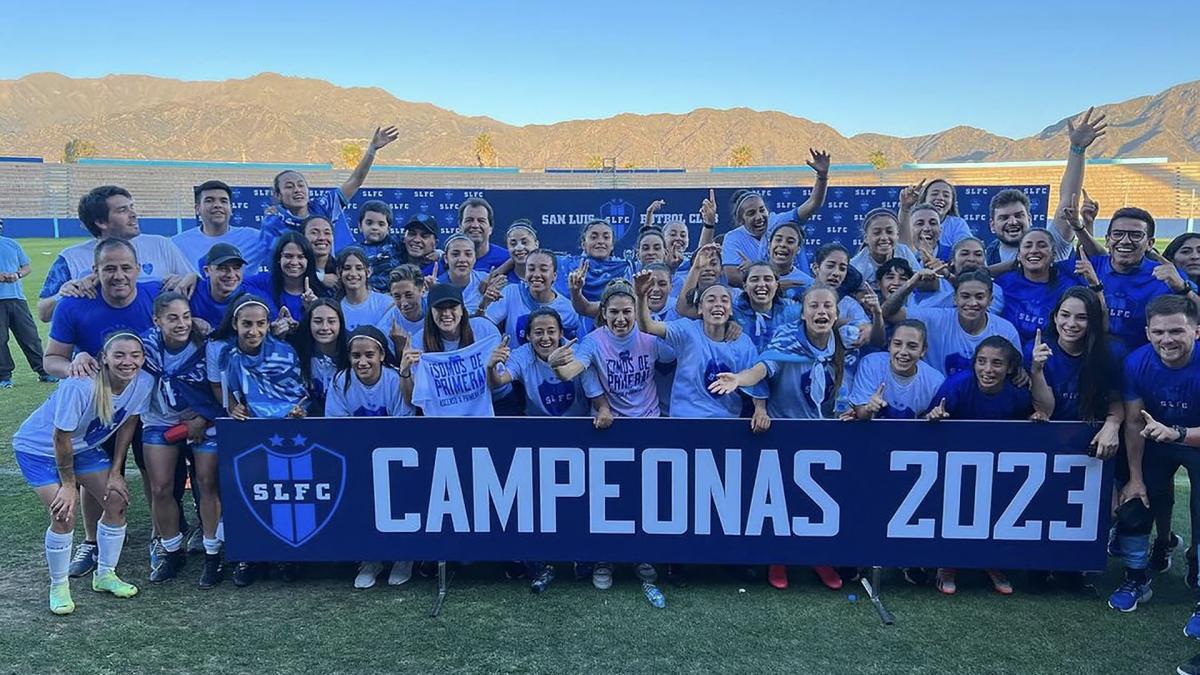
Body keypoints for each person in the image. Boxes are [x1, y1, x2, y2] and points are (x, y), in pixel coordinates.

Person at [708, 284, 850, 591]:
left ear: (837, 313)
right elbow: (762, 369)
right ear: (803, 311)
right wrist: (739, 379)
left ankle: (819, 558)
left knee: (817, 501)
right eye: (814, 306)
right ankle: (778, 559)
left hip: (821, 431)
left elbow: (843, 388)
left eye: (828, 306)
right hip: (783, 429)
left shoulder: (843, 342)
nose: (821, 312)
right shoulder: (788, 336)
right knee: (778, 501)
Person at [12, 331, 153, 614]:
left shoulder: (144, 382)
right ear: (104, 359)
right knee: (63, 514)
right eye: (120, 355)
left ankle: (105, 575)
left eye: (135, 355)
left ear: (143, 358)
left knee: (116, 500)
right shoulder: (80, 385)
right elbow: (59, 438)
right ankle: (59, 585)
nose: (128, 362)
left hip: (81, 448)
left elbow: (129, 423)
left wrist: (115, 471)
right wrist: (68, 484)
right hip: (38, 449)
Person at [547, 279, 667, 605]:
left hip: (648, 427)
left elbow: (682, 349)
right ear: (603, 313)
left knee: (643, 502)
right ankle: (605, 559)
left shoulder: (650, 338)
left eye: (626, 312)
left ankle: (642, 556)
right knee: (606, 502)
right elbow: (574, 368)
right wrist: (557, 365)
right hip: (609, 430)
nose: (620, 318)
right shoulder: (593, 341)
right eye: (614, 312)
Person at [924, 335, 1054, 595]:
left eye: (996, 363)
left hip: (998, 465)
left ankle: (991, 561)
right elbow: (927, 421)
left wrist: (1035, 417)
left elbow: (1034, 416)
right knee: (955, 510)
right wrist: (934, 416)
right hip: (955, 463)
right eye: (981, 362)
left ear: (1009, 368)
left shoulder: (1017, 392)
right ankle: (947, 564)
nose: (987, 369)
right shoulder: (957, 385)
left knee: (996, 510)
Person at [207, 294, 308, 587]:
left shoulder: (284, 352)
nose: (254, 331)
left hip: (287, 431)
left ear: (268, 325)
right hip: (249, 432)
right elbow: (231, 396)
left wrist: (298, 410)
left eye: (261, 324)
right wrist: (233, 408)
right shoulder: (227, 355)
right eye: (247, 324)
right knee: (249, 494)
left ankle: (288, 556)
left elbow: (299, 392)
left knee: (286, 492)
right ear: (235, 324)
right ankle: (249, 556)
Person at [1116, 295, 1200, 635]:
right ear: (1148, 332)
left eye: (1177, 331)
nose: (1167, 340)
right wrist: (1134, 478)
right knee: (1135, 499)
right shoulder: (1136, 362)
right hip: (1155, 439)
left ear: (1196, 331)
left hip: (1191, 438)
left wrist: (1177, 432)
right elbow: (1134, 422)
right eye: (1159, 332)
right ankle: (1137, 577)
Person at [139, 293, 224, 586]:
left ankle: (214, 553)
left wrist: (203, 418)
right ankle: (172, 550)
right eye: (173, 317)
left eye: (186, 316)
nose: (181, 323)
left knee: (207, 481)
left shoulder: (205, 345)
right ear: (156, 320)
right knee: (161, 487)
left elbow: (221, 389)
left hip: (203, 419)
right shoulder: (144, 347)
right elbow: (114, 360)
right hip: (160, 420)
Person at [325, 325, 414, 590]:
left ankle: (403, 557)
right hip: (357, 455)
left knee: (398, 505)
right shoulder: (341, 380)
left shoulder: (395, 379)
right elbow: (337, 425)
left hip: (394, 455)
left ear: (382, 355)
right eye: (356, 356)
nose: (362, 362)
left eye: (368, 355)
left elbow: (403, 424)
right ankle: (370, 559)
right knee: (360, 504)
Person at [38, 185, 196, 322]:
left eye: (131, 207)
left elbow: (196, 284)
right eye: (123, 210)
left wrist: (186, 280)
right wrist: (63, 294)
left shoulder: (161, 245)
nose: (133, 214)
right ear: (101, 222)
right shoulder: (71, 258)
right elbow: (44, 313)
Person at [984, 107, 1108, 268]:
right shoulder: (985, 257)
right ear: (992, 225)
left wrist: (1077, 150)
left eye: (1018, 215)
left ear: (1030, 219)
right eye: (1004, 217)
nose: (1013, 221)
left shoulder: (1051, 244)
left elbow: (1068, 200)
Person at [635, 271, 766, 422]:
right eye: (711, 300)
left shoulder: (743, 342)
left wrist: (760, 410)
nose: (718, 304)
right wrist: (641, 296)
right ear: (700, 309)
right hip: (684, 421)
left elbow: (756, 378)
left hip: (726, 424)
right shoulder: (686, 330)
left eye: (724, 300)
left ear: (730, 311)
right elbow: (647, 327)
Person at [1071, 207, 1198, 351]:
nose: (1125, 241)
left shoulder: (1169, 276)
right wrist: (1078, 225)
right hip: (1092, 357)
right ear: (1107, 240)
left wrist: (1182, 288)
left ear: (1150, 243)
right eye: (1118, 234)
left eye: (1136, 235)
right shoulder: (1088, 267)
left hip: (1145, 361)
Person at [257, 126, 399, 252]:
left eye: (301, 185)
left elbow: (355, 181)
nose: (297, 190)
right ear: (278, 194)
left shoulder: (323, 206)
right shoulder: (273, 222)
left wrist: (372, 150)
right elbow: (274, 259)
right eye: (289, 186)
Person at [881, 268, 1020, 377]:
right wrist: (911, 284)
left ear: (990, 300)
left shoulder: (1005, 331)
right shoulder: (935, 318)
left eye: (979, 297)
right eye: (965, 296)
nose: (972, 303)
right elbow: (888, 314)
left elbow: (1016, 370)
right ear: (955, 299)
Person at [721, 150, 830, 288]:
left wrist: (822, 176)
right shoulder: (733, 238)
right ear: (741, 219)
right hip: (758, 299)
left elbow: (813, 204)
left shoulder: (778, 222)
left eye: (762, 210)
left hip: (798, 289)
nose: (759, 217)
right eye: (751, 213)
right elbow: (733, 278)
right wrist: (776, 286)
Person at [400, 283, 501, 417]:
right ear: (431, 311)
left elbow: (499, 383)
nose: (446, 313)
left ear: (462, 310)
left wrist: (493, 365)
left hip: (489, 409)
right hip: (441, 423)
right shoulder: (418, 342)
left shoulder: (485, 330)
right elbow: (412, 400)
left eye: (453, 307)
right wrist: (404, 371)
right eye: (440, 308)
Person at [994, 229, 1088, 346]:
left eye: (1042, 246)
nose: (1033, 250)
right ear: (1019, 255)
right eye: (1028, 246)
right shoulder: (1003, 283)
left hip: (1050, 358)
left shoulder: (1068, 287)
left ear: (1053, 255)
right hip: (1007, 357)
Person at [843, 319, 944, 420]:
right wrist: (869, 408)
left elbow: (929, 421)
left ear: (923, 350)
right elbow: (860, 412)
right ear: (889, 345)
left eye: (912, 346)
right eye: (897, 344)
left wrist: (932, 418)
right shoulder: (870, 364)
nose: (903, 351)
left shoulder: (935, 381)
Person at [482, 249, 581, 346]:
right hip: (513, 360)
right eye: (531, 269)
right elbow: (483, 327)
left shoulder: (568, 309)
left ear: (554, 276)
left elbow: (571, 345)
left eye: (543, 269)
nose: (536, 274)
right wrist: (483, 304)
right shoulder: (511, 292)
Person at [0, 215, 54, 387]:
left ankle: (43, 371)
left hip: (17, 298)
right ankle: (4, 376)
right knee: (0, 340)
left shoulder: (11, 244)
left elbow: (26, 267)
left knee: (30, 337)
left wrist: (16, 275)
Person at [243, 231, 331, 333]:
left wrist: (313, 310)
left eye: (300, 257)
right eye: (288, 256)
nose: (294, 262)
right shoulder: (263, 282)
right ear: (279, 259)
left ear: (308, 260)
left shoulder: (321, 293)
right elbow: (234, 283)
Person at [172, 180, 264, 272]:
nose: (217, 205)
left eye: (223, 201)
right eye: (209, 201)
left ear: (231, 208)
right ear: (197, 209)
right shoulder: (177, 244)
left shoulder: (254, 238)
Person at [289, 298, 348, 417]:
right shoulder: (296, 353)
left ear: (340, 323)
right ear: (309, 323)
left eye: (331, 321)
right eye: (318, 321)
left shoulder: (352, 352)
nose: (325, 327)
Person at [556, 220, 634, 302]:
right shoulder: (568, 265)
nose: (600, 241)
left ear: (612, 245)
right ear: (583, 244)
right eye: (593, 237)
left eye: (606, 237)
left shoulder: (626, 268)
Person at [731, 261, 800, 352]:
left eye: (767, 279)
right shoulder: (733, 312)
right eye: (754, 279)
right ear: (745, 286)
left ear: (776, 285)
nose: (762, 284)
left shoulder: (793, 312)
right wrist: (728, 322)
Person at [849, 208, 920, 284]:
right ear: (866, 238)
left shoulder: (904, 251)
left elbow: (919, 282)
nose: (884, 237)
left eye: (889, 232)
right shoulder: (856, 266)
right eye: (877, 233)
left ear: (897, 235)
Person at [188, 243, 246, 327]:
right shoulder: (190, 291)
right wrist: (189, 322)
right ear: (207, 271)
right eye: (222, 268)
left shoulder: (250, 297)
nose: (231, 274)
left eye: (236, 268)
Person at [438, 234, 499, 313]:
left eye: (468, 254)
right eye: (455, 254)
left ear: (475, 258)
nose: (462, 259)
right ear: (446, 258)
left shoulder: (486, 280)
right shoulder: (436, 285)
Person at [336, 247, 393, 330]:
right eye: (347, 268)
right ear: (338, 272)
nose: (353, 273)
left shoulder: (387, 304)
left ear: (369, 272)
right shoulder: (335, 307)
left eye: (359, 268)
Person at [354, 200, 404, 293]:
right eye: (369, 223)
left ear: (388, 228)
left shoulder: (397, 243)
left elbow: (416, 245)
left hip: (395, 296)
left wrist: (438, 253)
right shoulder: (354, 251)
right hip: (367, 297)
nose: (375, 227)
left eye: (381, 224)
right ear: (360, 226)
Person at [377, 265, 427, 350]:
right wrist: (399, 347)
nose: (404, 303)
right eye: (397, 297)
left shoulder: (437, 308)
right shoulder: (385, 328)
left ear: (422, 289)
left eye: (409, 295)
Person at [456, 197, 510, 273]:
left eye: (481, 221)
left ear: (491, 228)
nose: (475, 225)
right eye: (469, 220)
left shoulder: (507, 259)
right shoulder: (448, 261)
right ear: (460, 226)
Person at [302, 215, 339, 290]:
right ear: (303, 236)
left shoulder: (340, 267)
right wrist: (320, 277)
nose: (322, 238)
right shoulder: (295, 266)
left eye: (327, 233)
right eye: (314, 233)